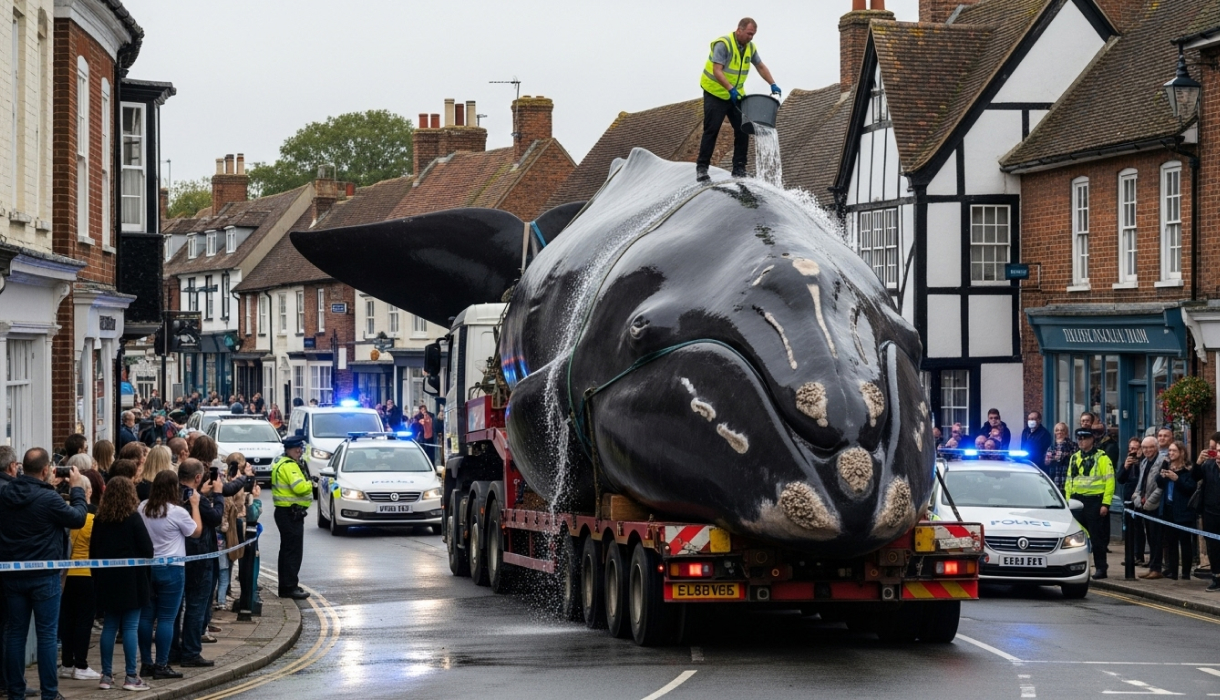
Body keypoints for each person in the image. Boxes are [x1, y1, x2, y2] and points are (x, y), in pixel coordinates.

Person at [0, 449, 89, 700]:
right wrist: (78, 489)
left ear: (20, 468)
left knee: (15, 633)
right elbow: (78, 518)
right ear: (45, 470)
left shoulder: (6, 493)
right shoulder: (48, 499)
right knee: (47, 635)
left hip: (12, 573)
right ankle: (50, 693)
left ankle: (15, 691)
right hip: (44, 575)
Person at [695, 17, 780, 182]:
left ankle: (739, 169)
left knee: (743, 129)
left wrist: (773, 84)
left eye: (753, 35)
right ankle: (702, 168)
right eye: (749, 34)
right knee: (712, 129)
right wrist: (730, 89)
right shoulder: (723, 44)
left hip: (735, 95)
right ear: (739, 30)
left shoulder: (750, 48)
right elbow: (717, 70)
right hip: (715, 93)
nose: (751, 38)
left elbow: (760, 66)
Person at [138, 469, 201, 680]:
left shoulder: (142, 507)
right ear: (174, 488)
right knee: (166, 618)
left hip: (148, 567)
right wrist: (194, 505)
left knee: (146, 618)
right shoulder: (177, 512)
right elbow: (196, 532)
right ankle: (161, 665)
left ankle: (146, 664)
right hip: (172, 569)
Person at [175, 459, 223, 667]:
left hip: (178, 556)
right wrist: (219, 494)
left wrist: (203, 494)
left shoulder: (175, 493)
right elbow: (215, 518)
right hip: (200, 557)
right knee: (196, 605)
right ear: (196, 477)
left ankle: (172, 651)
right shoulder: (197, 499)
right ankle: (191, 652)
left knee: (176, 608)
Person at [58, 472, 101, 681]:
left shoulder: (65, 517)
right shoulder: (94, 519)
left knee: (67, 621)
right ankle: (81, 665)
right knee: (84, 622)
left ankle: (66, 664)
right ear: (89, 492)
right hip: (87, 575)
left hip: (66, 576)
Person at [1065, 428, 1114, 579]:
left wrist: (1106, 503)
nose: (1081, 441)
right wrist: (1067, 502)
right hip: (1076, 501)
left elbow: (1110, 481)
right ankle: (1074, 566)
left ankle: (1101, 568)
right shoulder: (1074, 457)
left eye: (1084, 438)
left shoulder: (1102, 458)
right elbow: (1069, 481)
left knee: (1096, 537)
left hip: (1095, 501)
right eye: (1079, 439)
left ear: (1092, 439)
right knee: (1073, 537)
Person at [271, 435, 313, 599]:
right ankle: (289, 587)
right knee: (293, 552)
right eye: (298, 449)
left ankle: (287, 585)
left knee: (287, 550)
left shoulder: (282, 462)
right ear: (291, 449)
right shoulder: (290, 466)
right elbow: (300, 487)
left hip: (286, 513)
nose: (300, 452)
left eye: (301, 449)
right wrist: (311, 483)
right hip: (290, 513)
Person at [1156, 441, 1197, 581]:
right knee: (1171, 542)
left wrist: (1177, 479)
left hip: (1183, 510)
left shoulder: (1188, 470)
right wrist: (1161, 473)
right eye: (1170, 451)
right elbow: (1159, 484)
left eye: (1174, 451)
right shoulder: (1167, 466)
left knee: (1185, 543)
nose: (1171, 453)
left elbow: (1190, 488)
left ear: (1181, 453)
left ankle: (1185, 573)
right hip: (1168, 508)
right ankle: (1173, 571)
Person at [1132, 437, 1166, 578]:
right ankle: (1152, 566)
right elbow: (1141, 482)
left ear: (1156, 447)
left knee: (1157, 538)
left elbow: (1161, 486)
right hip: (1144, 504)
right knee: (1150, 537)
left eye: (1150, 447)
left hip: (1156, 505)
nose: (1147, 450)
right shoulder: (1144, 462)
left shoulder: (1162, 461)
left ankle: (1156, 568)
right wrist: (1138, 496)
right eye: (1144, 448)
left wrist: (1150, 501)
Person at [1192, 432, 1220, 592]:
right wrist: (1198, 462)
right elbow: (1195, 477)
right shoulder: (1208, 466)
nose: (1216, 454)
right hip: (1210, 513)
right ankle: (1216, 577)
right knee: (1212, 548)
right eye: (1215, 451)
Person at [1116, 436, 1145, 566]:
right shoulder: (1127, 461)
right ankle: (1130, 556)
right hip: (1127, 498)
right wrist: (1126, 467)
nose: (1132, 451)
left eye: (1135, 448)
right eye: (1130, 449)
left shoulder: (1144, 462)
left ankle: (1139, 555)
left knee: (1139, 528)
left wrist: (1138, 464)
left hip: (1139, 498)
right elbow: (1120, 479)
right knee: (1129, 528)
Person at [1043, 423, 1075, 492]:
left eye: (1062, 430)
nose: (1059, 432)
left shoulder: (1072, 446)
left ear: (1066, 433)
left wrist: (1060, 456)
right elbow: (1047, 462)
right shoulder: (1051, 447)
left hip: (1067, 480)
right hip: (1054, 480)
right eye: (1057, 430)